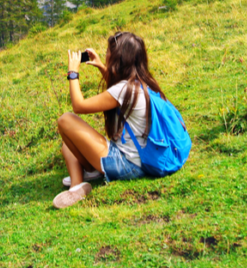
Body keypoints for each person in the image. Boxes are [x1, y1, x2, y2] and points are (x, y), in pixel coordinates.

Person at [53, 31, 168, 209]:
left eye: (109, 52)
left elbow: (79, 106)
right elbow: (119, 91)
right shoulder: (142, 82)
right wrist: (100, 65)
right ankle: (88, 175)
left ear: (118, 58)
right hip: (140, 157)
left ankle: (77, 187)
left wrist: (73, 73)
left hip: (128, 164)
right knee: (68, 144)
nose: (106, 55)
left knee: (66, 120)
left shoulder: (123, 90)